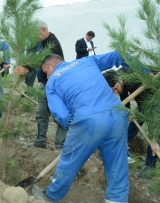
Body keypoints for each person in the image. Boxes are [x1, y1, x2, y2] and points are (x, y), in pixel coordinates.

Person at [31, 51, 131, 202]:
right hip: (118, 115)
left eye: (46, 73)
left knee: (69, 160)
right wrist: (145, 72)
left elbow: (62, 115)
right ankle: (116, 199)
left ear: (51, 65)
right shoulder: (86, 61)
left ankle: (51, 196)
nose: (47, 77)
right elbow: (118, 55)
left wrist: (77, 129)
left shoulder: (52, 82)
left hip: (89, 119)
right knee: (117, 165)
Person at [13, 21, 67, 150]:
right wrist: (24, 67)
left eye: (36, 33)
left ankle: (60, 147)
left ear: (43, 29)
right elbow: (32, 58)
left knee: (59, 115)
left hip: (56, 85)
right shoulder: (39, 42)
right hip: (44, 84)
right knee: (41, 113)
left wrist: (28, 67)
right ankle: (40, 141)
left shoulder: (52, 42)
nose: (35, 37)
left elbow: (45, 61)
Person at [103, 69, 160, 178]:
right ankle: (121, 147)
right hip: (143, 102)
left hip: (157, 99)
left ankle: (150, 164)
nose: (115, 91)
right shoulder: (122, 83)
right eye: (113, 90)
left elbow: (152, 117)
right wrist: (128, 113)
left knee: (156, 134)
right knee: (134, 124)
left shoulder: (134, 81)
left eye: (115, 88)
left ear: (119, 80)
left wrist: (154, 139)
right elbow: (125, 99)